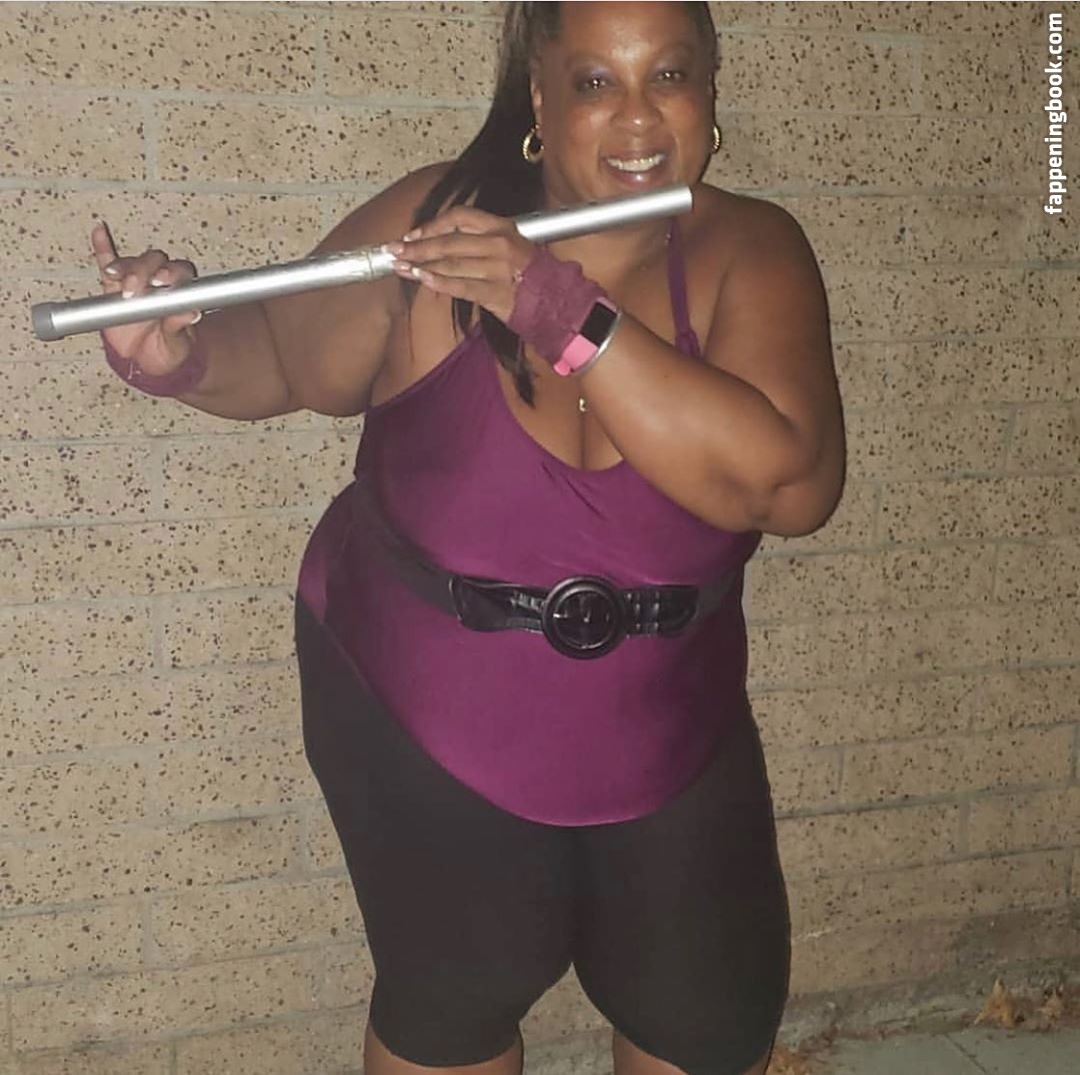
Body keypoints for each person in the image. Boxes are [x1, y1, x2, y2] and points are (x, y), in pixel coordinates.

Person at [91, 3, 845, 1073]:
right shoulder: (442, 224)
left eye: (669, 75)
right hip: (428, 702)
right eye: (596, 82)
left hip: (671, 711)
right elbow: (288, 357)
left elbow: (789, 484)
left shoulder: (751, 247)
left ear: (710, 89)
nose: (638, 117)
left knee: (709, 1012)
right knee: (459, 988)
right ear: (539, 94)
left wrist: (560, 311)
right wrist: (179, 353)